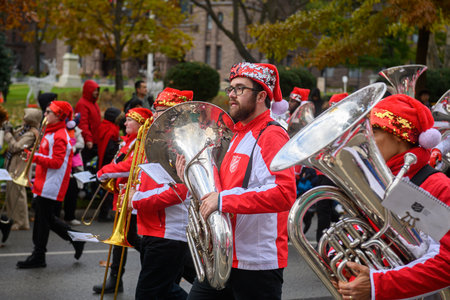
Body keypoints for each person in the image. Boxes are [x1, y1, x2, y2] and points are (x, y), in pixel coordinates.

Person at [179, 62, 296, 300]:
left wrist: (222, 200)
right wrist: (191, 180)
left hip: (257, 264)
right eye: (230, 88)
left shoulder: (272, 135)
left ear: (262, 95)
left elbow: (283, 193)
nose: (231, 95)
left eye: (240, 89)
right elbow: (220, 187)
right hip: (224, 254)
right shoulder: (236, 134)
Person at [337, 94, 450, 300]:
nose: (365, 141)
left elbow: (447, 262)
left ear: (398, 135)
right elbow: (358, 235)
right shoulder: (376, 183)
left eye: (374, 132)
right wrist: (342, 261)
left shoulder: (437, 186)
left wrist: (378, 285)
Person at [129, 87, 194, 300]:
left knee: (149, 294)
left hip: (167, 234)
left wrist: (137, 200)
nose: (154, 116)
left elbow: (178, 192)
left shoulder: (181, 147)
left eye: (161, 111)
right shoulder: (159, 143)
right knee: (163, 292)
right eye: (155, 110)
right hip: (153, 230)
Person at [16, 101, 85, 269]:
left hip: (51, 184)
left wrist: (33, 156)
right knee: (46, 219)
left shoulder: (60, 135)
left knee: (44, 220)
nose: (45, 115)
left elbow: (55, 162)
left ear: (59, 116)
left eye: (49, 112)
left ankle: (39, 255)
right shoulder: (49, 132)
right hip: (43, 180)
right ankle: (70, 241)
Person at [93, 107, 153, 294]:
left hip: (132, 196)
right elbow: (119, 161)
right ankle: (116, 279)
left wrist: (104, 172)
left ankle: (148, 272)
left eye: (129, 120)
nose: (125, 123)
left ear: (140, 123)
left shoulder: (142, 142)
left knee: (127, 238)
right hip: (122, 195)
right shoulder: (128, 142)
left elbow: (130, 166)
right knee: (125, 239)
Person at [4, 108, 42, 231]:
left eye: (25, 117)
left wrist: (8, 134)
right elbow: (17, 137)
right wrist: (10, 130)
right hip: (14, 164)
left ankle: (21, 222)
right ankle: (12, 219)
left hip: (20, 166)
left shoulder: (31, 133)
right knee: (11, 192)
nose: (23, 119)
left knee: (18, 194)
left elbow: (16, 147)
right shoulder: (25, 130)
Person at [96, 107, 122, 222]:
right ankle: (103, 214)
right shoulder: (111, 129)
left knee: (106, 191)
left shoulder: (104, 126)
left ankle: (104, 213)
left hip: (102, 161)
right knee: (108, 191)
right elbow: (109, 149)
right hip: (107, 162)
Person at [62, 113, 85, 226]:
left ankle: (69, 216)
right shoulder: (60, 130)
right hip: (62, 164)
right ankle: (55, 216)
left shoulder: (76, 130)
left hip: (74, 166)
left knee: (72, 192)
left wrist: (74, 148)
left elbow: (81, 143)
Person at [75, 79, 101, 168]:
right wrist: (88, 139)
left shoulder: (93, 103)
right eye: (94, 90)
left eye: (97, 90)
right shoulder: (82, 104)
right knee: (86, 163)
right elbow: (83, 123)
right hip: (89, 141)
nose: (96, 92)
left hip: (95, 140)